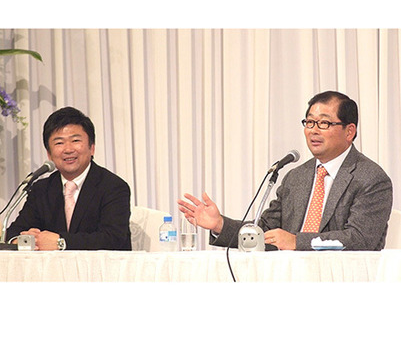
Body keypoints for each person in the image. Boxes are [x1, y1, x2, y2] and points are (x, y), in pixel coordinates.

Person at [177, 91, 393, 251]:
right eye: (310, 122)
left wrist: (297, 242)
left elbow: (360, 239)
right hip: (288, 275)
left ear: (349, 131)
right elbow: (264, 231)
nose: (313, 130)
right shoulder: (296, 177)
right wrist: (220, 224)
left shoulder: (370, 178)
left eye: (324, 123)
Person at [6, 107, 132, 250]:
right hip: (51, 265)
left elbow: (112, 239)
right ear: (49, 154)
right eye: (59, 143)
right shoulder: (41, 189)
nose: (68, 149)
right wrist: (22, 240)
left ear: (92, 148)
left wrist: (61, 242)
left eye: (75, 140)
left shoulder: (113, 187)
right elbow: (14, 232)